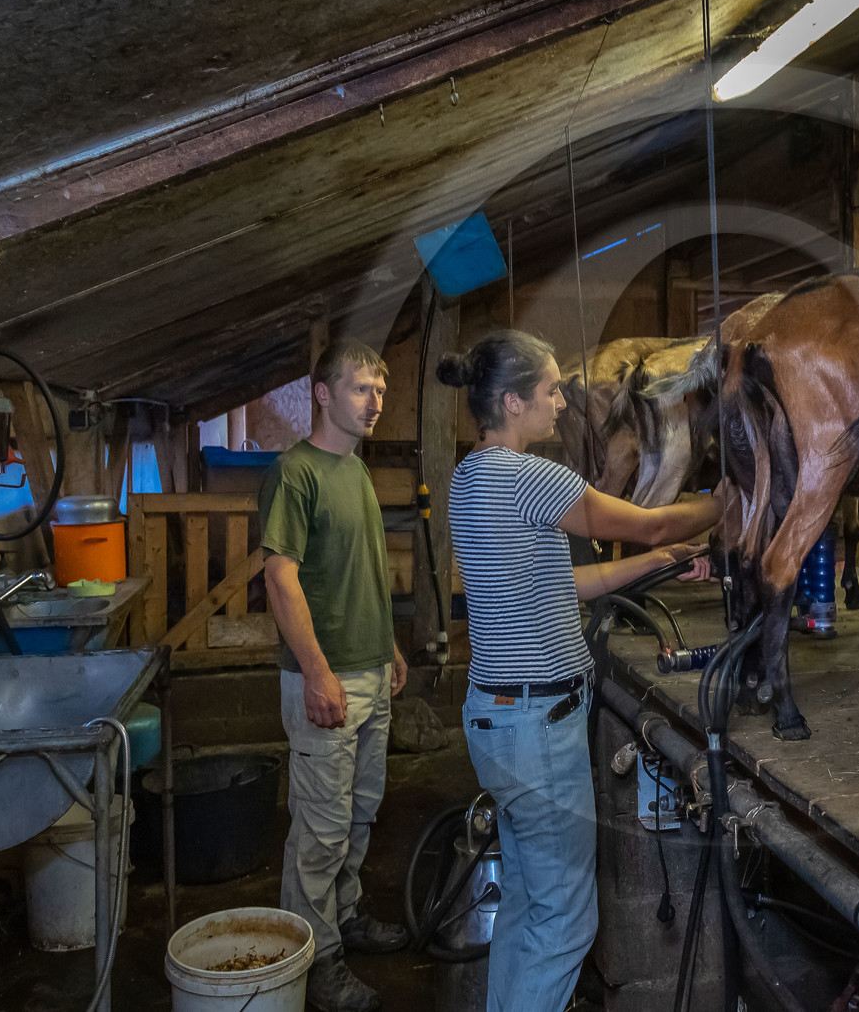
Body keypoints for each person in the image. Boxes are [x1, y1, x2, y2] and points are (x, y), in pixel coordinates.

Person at [439, 330, 718, 1012]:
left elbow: (562, 579)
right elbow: (647, 522)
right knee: (568, 923)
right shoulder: (532, 477)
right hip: (539, 727)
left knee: (532, 904)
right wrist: (731, 499)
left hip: (497, 718)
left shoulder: (470, 476)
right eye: (550, 390)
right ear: (510, 400)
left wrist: (655, 563)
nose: (562, 402)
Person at [259, 339, 412, 1012]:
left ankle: (344, 918)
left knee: (359, 810)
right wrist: (318, 671)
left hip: (371, 669)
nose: (374, 401)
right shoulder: (296, 471)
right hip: (327, 680)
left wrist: (389, 648)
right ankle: (315, 961)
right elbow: (280, 577)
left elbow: (361, 573)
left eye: (380, 389)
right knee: (319, 829)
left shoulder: (356, 469)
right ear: (323, 394)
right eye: (360, 388)